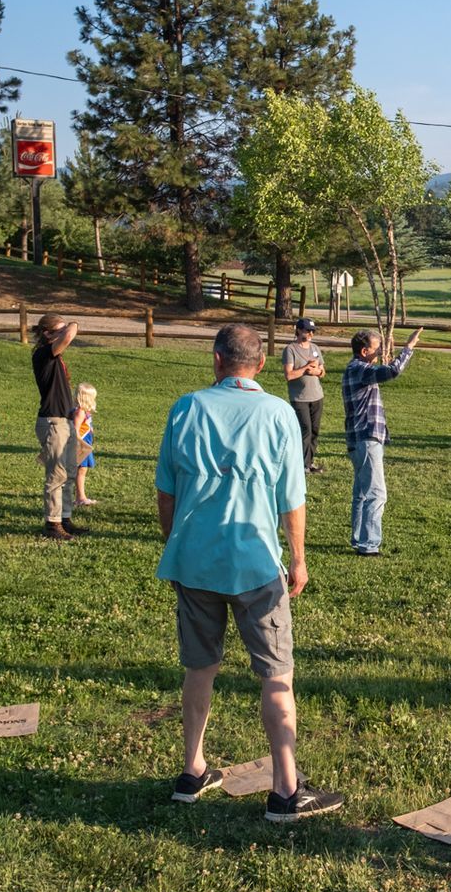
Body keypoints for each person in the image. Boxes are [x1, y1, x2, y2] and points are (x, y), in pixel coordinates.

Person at [158, 324, 338, 820]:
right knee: (277, 673)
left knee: (200, 667)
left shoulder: (186, 408)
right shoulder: (279, 413)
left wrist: (176, 543)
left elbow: (166, 492)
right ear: (260, 365)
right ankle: (285, 788)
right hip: (257, 563)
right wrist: (298, 557)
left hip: (194, 561)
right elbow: (292, 498)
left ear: (216, 360)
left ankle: (192, 770)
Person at [341, 327, 422, 556]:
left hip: (359, 441)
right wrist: (408, 348)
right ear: (365, 351)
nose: (379, 353)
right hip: (366, 439)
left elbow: (383, 368)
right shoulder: (359, 369)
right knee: (376, 493)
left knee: (362, 493)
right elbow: (392, 372)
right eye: (376, 349)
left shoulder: (356, 368)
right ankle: (369, 545)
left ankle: (359, 539)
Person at [31, 314, 84, 541]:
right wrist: (69, 325)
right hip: (52, 422)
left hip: (65, 421)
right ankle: (52, 524)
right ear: (48, 334)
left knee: (69, 473)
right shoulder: (44, 354)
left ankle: (65, 519)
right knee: (57, 475)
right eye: (58, 331)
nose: (64, 336)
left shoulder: (55, 356)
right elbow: (71, 333)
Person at [281, 318, 327, 474]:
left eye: (312, 331)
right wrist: (306, 368)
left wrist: (316, 371)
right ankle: (302, 465)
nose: (310, 334)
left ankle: (309, 462)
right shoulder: (290, 350)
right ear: (299, 330)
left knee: (314, 430)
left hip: (317, 396)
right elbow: (289, 375)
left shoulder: (315, 348)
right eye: (307, 330)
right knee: (305, 430)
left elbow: (322, 372)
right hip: (299, 398)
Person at [74, 383, 99, 506]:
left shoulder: (84, 411)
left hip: (85, 444)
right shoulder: (80, 412)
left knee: (82, 470)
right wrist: (82, 445)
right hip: (80, 446)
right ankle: (80, 498)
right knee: (81, 471)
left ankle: (79, 496)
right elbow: (75, 431)